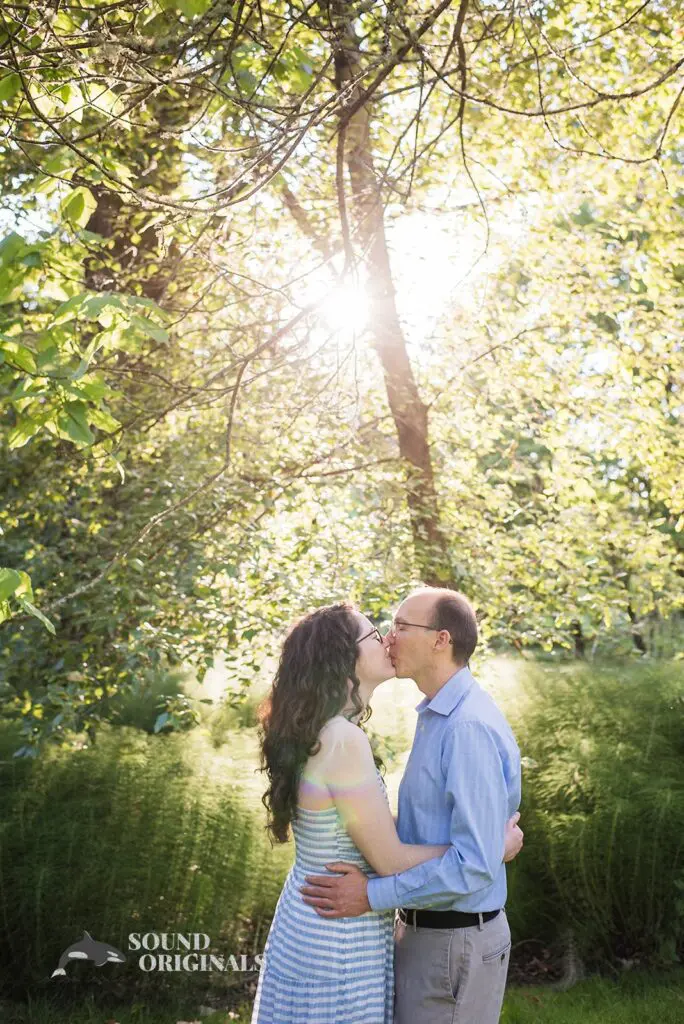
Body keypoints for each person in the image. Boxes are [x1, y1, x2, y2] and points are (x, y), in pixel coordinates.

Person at [252, 600, 522, 1024]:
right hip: (337, 932)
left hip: (319, 919)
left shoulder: (325, 731)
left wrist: (480, 850)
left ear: (441, 640)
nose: (388, 639)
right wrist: (491, 846)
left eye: (396, 628)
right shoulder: (343, 739)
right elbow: (390, 858)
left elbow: (370, 832)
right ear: (342, 656)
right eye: (376, 633)